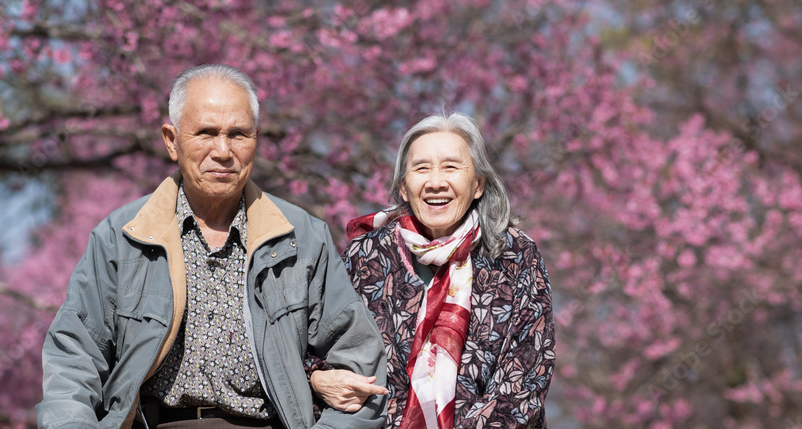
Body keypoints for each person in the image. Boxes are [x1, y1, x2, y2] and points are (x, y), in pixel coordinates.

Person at [36, 64, 388, 429]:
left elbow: (360, 362)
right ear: (171, 140)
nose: (223, 151)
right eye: (206, 132)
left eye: (238, 134)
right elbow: (74, 360)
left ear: (257, 139)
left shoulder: (303, 238)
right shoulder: (121, 236)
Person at [307, 113, 555, 428]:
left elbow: (529, 372)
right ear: (404, 187)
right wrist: (317, 377)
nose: (436, 182)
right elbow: (320, 344)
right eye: (422, 168)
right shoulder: (366, 254)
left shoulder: (516, 255)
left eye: (451, 167)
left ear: (478, 184)